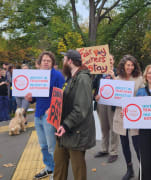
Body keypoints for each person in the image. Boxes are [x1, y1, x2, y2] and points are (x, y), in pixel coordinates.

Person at [53, 50, 96, 180]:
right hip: (66, 130)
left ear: (70, 61)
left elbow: (81, 108)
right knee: (59, 163)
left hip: (76, 131)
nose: (63, 62)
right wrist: (55, 110)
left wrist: (66, 124)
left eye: (64, 59)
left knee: (78, 169)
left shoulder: (82, 78)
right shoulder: (72, 77)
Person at [25, 51, 65, 179]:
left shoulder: (58, 76)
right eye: (44, 60)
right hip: (38, 114)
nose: (46, 62)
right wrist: (30, 98)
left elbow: (62, 95)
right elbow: (35, 97)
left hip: (51, 115)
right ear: (40, 62)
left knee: (52, 146)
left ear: (52, 63)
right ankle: (49, 168)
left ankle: (57, 173)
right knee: (43, 145)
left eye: (49, 60)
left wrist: (53, 108)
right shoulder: (37, 76)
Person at [113, 54, 144, 180]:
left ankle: (142, 170)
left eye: (132, 65)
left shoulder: (139, 79)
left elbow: (142, 97)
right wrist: (100, 96)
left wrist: (130, 108)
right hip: (120, 117)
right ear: (123, 66)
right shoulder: (117, 79)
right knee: (124, 145)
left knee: (137, 145)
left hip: (134, 116)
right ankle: (129, 169)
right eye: (128, 65)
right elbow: (112, 97)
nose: (130, 67)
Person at [93, 55, 119, 163]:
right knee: (104, 128)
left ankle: (113, 152)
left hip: (113, 104)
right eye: (107, 60)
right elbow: (94, 86)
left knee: (113, 128)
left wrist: (113, 76)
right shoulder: (99, 73)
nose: (109, 61)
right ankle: (104, 149)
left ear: (114, 61)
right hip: (101, 103)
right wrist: (95, 96)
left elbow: (122, 87)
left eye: (111, 59)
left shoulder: (118, 72)